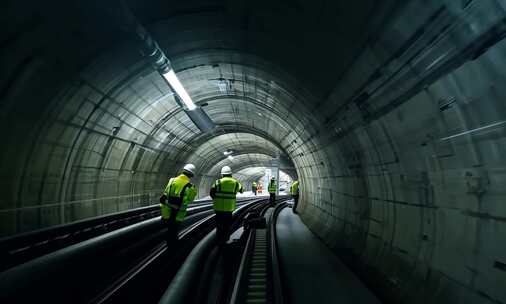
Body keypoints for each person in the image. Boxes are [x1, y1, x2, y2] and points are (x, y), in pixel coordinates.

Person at [159, 164, 197, 245]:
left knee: (170, 231)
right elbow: (190, 200)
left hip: (167, 212)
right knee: (173, 232)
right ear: (191, 175)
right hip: (178, 214)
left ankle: (170, 246)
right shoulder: (190, 187)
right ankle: (173, 249)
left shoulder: (172, 180)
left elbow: (165, 194)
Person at [210, 166, 243, 246]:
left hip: (218, 209)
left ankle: (219, 242)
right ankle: (226, 241)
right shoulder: (235, 183)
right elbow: (241, 190)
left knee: (219, 226)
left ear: (222, 175)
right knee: (227, 226)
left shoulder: (218, 182)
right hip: (229, 209)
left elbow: (211, 193)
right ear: (231, 174)